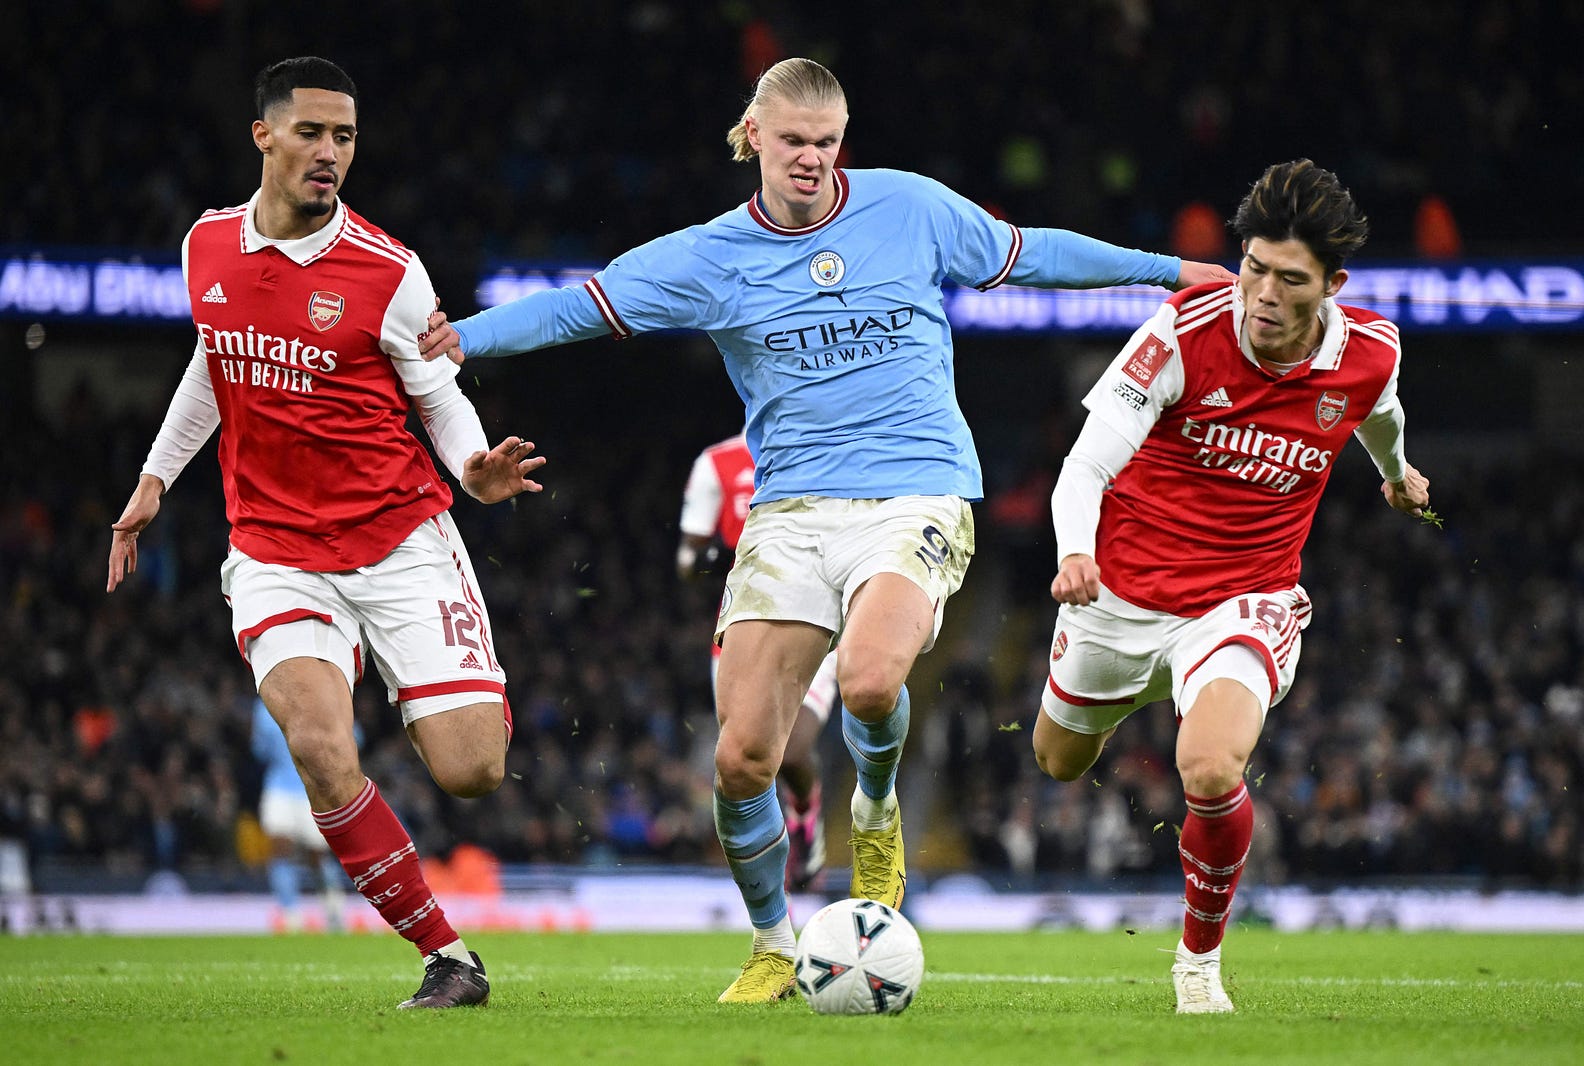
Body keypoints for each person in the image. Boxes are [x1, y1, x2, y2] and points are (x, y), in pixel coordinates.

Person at [418, 56, 1231, 1004]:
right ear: (753, 137)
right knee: (740, 758)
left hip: (916, 495)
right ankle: (771, 943)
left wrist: (1168, 271)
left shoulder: (911, 209)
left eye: (827, 142)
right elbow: (579, 308)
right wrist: (466, 338)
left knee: (871, 679)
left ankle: (876, 811)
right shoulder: (708, 258)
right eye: (794, 141)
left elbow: (1034, 250)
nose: (812, 159)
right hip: (790, 512)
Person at [106, 56, 546, 1009]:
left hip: (398, 539)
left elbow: (439, 392)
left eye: (345, 137)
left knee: (472, 771)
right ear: (263, 134)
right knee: (315, 744)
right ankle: (448, 957)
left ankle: (432, 685)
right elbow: (213, 364)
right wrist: (154, 479)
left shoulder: (387, 269)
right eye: (311, 132)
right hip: (272, 549)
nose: (331, 153)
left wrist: (474, 471)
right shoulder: (205, 247)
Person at [1032, 159, 1432, 1014]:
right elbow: (1085, 467)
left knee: (1209, 768)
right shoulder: (1180, 333)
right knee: (1056, 761)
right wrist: (1074, 554)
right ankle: (1116, 696)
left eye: (1291, 279)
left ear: (1333, 285)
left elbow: (1382, 413)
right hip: (1118, 594)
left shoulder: (1370, 351)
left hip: (1243, 600)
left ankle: (1198, 966)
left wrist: (1397, 475)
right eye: (1253, 267)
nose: (1263, 293)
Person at [678, 433, 836, 892]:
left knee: (789, 749)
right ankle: (769, 875)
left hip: (819, 617)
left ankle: (806, 815)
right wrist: (705, 558)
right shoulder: (717, 463)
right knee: (744, 759)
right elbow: (689, 554)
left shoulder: (831, 442)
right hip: (743, 624)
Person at [250, 697, 350, 933]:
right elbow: (259, 749)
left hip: (312, 789)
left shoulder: (317, 696)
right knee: (279, 848)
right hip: (278, 787)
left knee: (317, 855)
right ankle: (290, 914)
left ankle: (333, 908)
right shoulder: (263, 705)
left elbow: (351, 737)